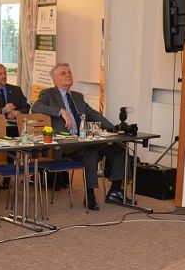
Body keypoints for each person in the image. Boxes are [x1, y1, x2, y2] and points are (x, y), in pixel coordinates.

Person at [32, 63, 126, 211]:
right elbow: (35, 107)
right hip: (63, 144)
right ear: (54, 80)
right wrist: (60, 111)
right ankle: (90, 194)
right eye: (63, 73)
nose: (68, 75)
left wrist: (115, 128)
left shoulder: (78, 96)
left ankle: (115, 190)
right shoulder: (48, 94)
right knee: (91, 150)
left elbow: (93, 114)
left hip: (82, 141)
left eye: (69, 72)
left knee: (118, 147)